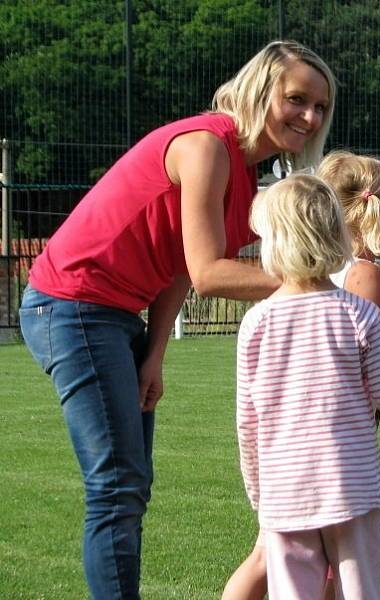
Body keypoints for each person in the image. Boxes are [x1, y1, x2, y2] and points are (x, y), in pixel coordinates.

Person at [17, 40, 336, 600]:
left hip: (115, 316)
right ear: (260, 91)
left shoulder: (242, 171)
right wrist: (314, 286)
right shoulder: (207, 146)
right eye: (296, 99)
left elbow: (177, 270)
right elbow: (211, 272)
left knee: (130, 486)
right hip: (72, 305)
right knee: (117, 487)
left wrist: (155, 354)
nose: (309, 117)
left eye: (320, 107)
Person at [224, 149, 380, 599]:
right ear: (338, 231)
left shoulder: (255, 323)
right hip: (351, 489)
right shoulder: (357, 313)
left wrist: (262, 497)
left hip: (285, 495)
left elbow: (249, 423)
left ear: (272, 244)